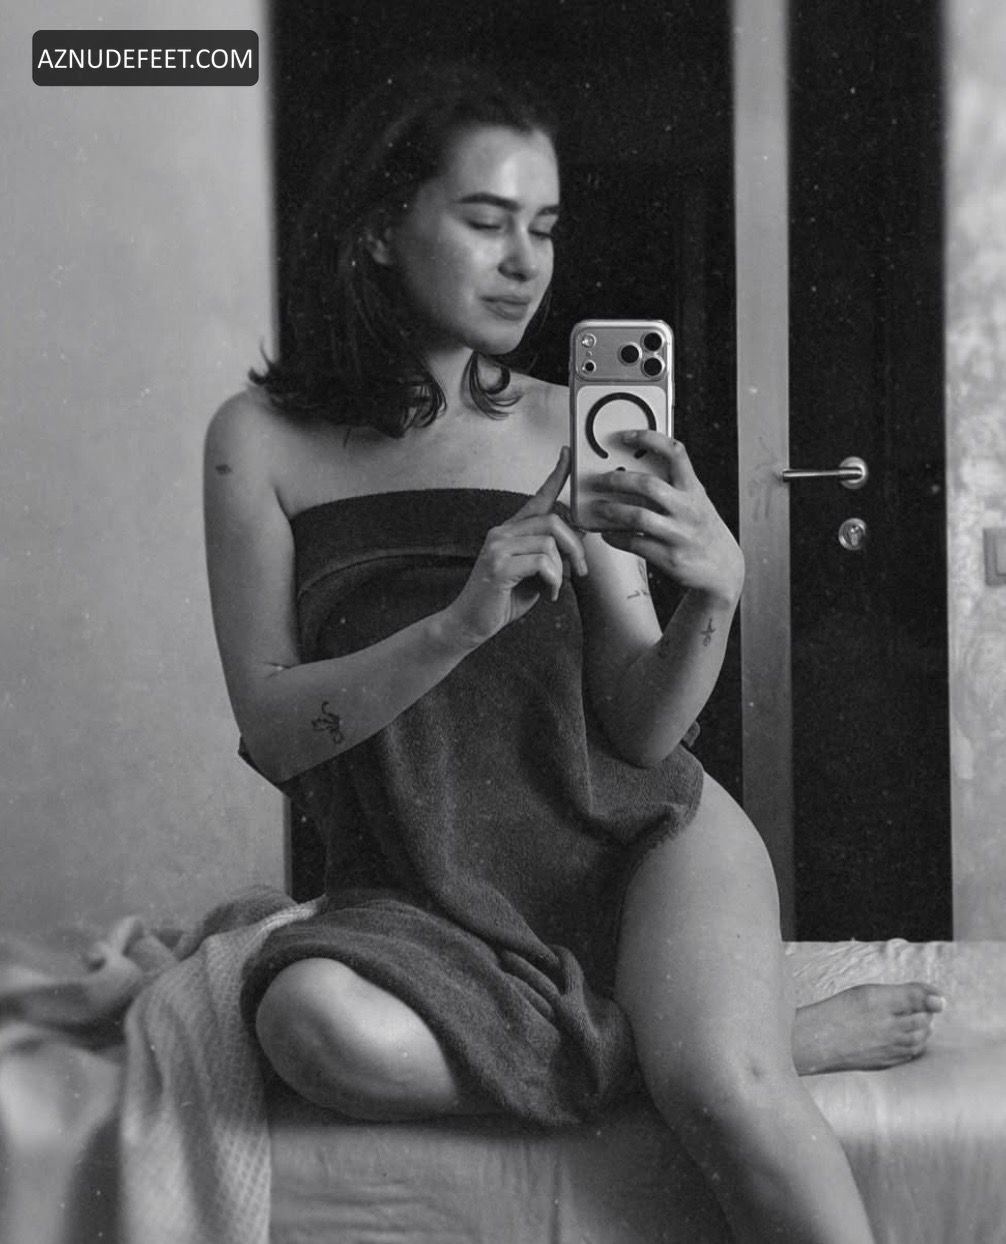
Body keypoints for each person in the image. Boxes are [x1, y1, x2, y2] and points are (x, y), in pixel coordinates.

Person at [204, 66, 944, 1243]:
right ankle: (720, 1037)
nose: (525, 262)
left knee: (733, 1099)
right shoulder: (259, 440)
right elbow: (277, 731)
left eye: (543, 227)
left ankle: (714, 1052)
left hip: (637, 838)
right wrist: (458, 621)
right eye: (486, 220)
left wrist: (716, 594)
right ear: (381, 227)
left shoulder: (570, 420)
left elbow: (642, 727)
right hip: (423, 883)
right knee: (309, 1026)